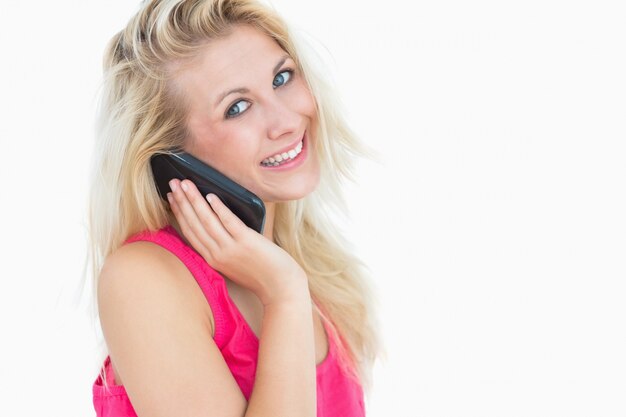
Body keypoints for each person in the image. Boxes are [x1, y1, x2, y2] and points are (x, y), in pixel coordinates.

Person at [88, 0, 381, 416]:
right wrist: (283, 296)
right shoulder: (142, 278)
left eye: (282, 77)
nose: (286, 121)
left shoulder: (311, 265)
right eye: (237, 108)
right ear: (172, 158)